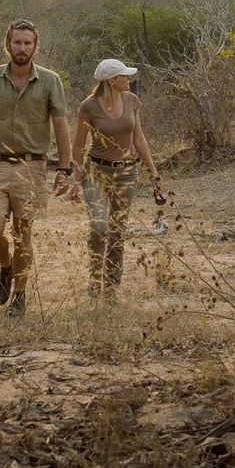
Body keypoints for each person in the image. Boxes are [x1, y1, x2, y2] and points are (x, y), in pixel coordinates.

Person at [0, 19, 72, 317]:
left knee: (24, 233)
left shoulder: (50, 80)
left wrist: (65, 169)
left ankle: (20, 297)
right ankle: (5, 266)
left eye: (27, 43)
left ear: (35, 46)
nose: (21, 48)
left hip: (31, 166)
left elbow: (61, 126)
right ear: (7, 44)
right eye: (16, 42)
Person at [69, 58, 162, 297]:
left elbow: (139, 138)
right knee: (100, 226)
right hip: (96, 171)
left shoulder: (132, 101)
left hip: (126, 172)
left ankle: (111, 286)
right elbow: (79, 143)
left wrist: (153, 171)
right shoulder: (88, 107)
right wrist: (75, 179)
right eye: (124, 76)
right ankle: (95, 278)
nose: (128, 79)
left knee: (117, 229)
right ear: (112, 81)